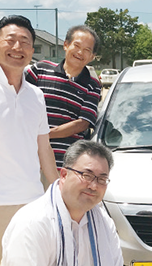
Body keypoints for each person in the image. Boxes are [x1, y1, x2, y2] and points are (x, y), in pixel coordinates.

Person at [0, 140, 139, 266]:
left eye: (102, 179)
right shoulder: (33, 223)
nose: (93, 186)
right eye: (86, 176)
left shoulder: (102, 221)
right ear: (64, 175)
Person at [0, 15, 59, 266]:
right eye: (10, 40)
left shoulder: (36, 95)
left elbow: (44, 148)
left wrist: (55, 194)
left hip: (31, 204)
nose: (18, 47)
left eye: (25, 42)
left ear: (32, 50)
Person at [27, 25, 101, 169]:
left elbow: (82, 123)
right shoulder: (40, 70)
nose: (80, 52)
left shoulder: (93, 85)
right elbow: (19, 100)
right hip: (30, 159)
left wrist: (45, 135)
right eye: (77, 45)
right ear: (66, 45)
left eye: (87, 50)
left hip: (65, 163)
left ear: (92, 57)